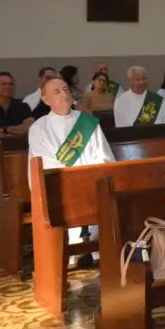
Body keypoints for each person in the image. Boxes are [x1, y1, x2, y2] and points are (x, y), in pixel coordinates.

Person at [28, 76, 115, 266]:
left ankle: (101, 252)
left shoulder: (88, 122)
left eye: (66, 89)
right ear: (45, 100)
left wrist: (88, 179)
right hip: (61, 188)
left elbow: (103, 156)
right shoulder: (39, 128)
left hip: (92, 185)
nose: (64, 94)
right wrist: (77, 181)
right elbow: (46, 165)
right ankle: (74, 252)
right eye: (57, 92)